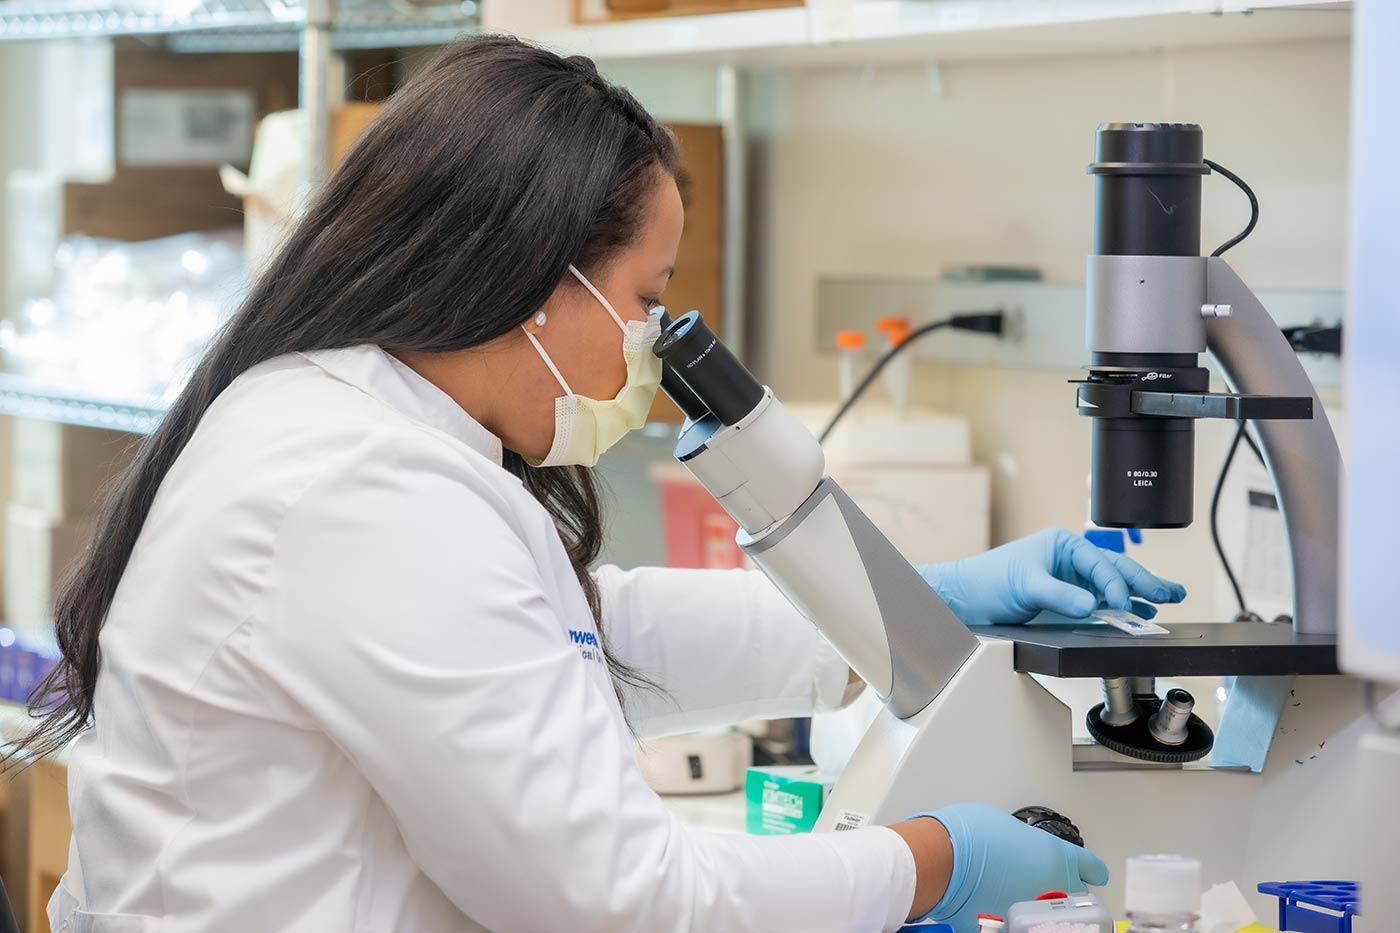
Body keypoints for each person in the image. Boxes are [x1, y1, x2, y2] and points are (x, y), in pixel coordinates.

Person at [15, 36, 1186, 933]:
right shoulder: (364, 488)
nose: (648, 342)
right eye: (643, 297)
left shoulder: (353, 421)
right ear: (535, 275)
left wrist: (915, 606)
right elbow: (621, 899)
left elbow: (572, 632)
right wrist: (933, 861)